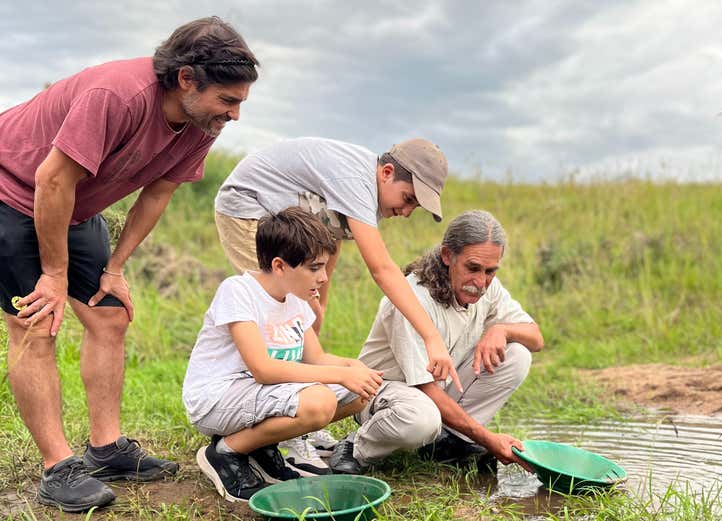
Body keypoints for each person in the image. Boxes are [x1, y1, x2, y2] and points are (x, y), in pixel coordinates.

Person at [0, 17, 258, 512]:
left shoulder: (202, 123)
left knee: (110, 311)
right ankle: (59, 470)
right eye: (228, 101)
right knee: (36, 323)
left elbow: (156, 193)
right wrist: (53, 277)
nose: (235, 115)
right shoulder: (115, 95)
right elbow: (51, 179)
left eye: (240, 102)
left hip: (74, 206)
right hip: (12, 192)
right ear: (186, 79)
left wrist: (116, 265)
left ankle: (106, 448)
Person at [213, 136, 462, 473]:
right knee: (276, 317)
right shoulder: (358, 180)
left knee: (303, 321)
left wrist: (318, 306)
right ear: (386, 172)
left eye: (414, 207)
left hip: (294, 226)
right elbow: (382, 269)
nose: (405, 212)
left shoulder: (363, 188)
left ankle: (296, 422)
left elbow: (326, 241)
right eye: (407, 199)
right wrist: (432, 338)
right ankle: (279, 436)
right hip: (249, 211)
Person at [183, 207, 383, 502]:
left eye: (325, 267)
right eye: (315, 268)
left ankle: (264, 446)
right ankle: (225, 452)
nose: (324, 277)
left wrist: (354, 368)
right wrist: (341, 374)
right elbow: (263, 369)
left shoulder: (296, 300)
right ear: (279, 266)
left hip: (258, 396)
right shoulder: (239, 291)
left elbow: (317, 359)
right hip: (217, 399)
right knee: (320, 401)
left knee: (359, 391)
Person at [327, 210, 544, 474]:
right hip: (382, 392)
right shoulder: (413, 298)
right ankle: (355, 446)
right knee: (421, 419)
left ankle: (452, 442)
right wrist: (488, 439)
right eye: (472, 268)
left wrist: (502, 329)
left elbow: (536, 337)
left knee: (518, 354)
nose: (481, 282)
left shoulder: (490, 288)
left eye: (490, 271)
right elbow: (426, 389)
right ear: (446, 256)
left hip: (435, 391)